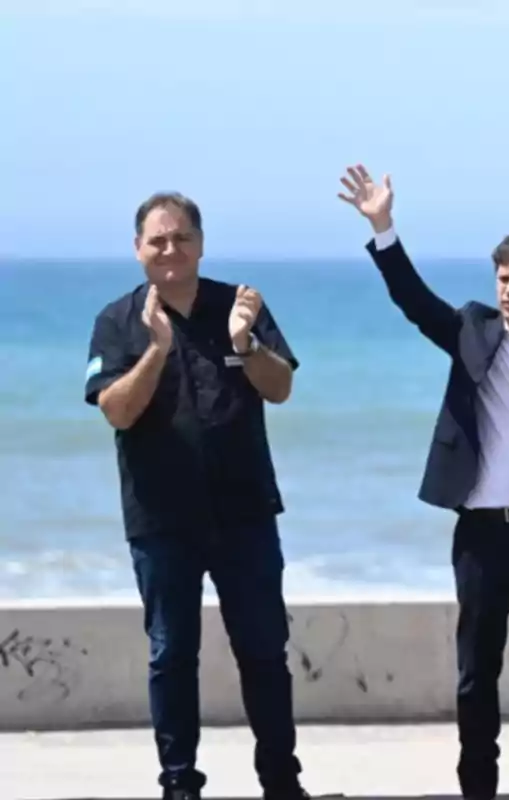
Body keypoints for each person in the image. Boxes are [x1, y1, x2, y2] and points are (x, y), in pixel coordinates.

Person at [336, 164, 509, 800]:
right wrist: (383, 226)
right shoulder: (471, 331)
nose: (508, 290)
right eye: (502, 278)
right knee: (475, 676)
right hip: (482, 537)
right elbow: (413, 301)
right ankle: (478, 790)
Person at [84, 193, 309, 800]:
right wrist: (155, 349)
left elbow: (281, 387)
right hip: (161, 521)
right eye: (157, 240)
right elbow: (117, 412)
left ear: (201, 243)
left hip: (245, 514)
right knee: (171, 656)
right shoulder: (117, 320)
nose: (170, 250)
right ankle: (180, 783)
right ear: (138, 250)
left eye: (181, 238)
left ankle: (281, 782)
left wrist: (245, 344)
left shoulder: (241, 306)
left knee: (264, 652)